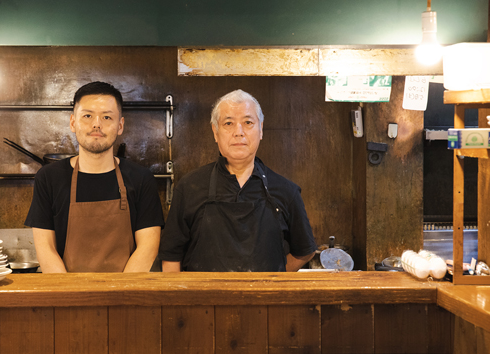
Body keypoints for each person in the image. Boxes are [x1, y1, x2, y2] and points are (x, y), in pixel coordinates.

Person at [159, 89, 316, 272]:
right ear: (215, 132)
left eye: (248, 122)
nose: (238, 132)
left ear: (260, 129)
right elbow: (171, 258)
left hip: (263, 300)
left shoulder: (286, 191)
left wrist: (272, 279)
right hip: (204, 299)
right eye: (228, 123)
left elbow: (304, 251)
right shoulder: (189, 187)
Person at [25, 81, 164, 273]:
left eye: (107, 117)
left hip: (125, 294)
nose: (96, 124)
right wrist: (70, 297)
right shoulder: (49, 178)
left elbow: (148, 246)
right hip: (68, 295)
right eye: (87, 116)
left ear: (120, 125)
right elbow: (45, 247)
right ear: (73, 122)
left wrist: (119, 295)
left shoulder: (141, 178)